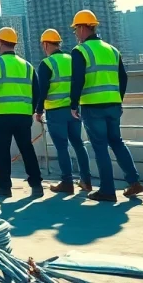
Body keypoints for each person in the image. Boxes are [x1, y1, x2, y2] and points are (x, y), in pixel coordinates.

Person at [70, 9, 143, 202]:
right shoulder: (112, 50)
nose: (76, 34)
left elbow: (77, 79)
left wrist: (73, 104)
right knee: (117, 142)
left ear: (81, 28)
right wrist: (118, 99)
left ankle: (107, 190)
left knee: (100, 147)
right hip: (113, 105)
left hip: (93, 106)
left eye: (75, 30)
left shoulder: (80, 51)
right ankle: (134, 182)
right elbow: (123, 77)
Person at [0, 27, 43, 198]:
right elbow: (37, 92)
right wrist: (30, 110)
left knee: (3, 151)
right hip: (23, 116)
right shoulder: (27, 66)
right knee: (26, 149)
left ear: (0, 42)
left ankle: (4, 187)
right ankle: (37, 184)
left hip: (1, 116)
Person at [34, 29, 92, 195]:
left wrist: (39, 110)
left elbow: (42, 89)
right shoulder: (71, 59)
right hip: (74, 109)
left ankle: (67, 182)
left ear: (45, 44)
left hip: (56, 111)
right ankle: (86, 180)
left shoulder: (47, 63)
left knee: (62, 147)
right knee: (78, 144)